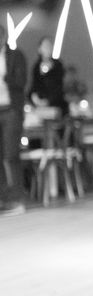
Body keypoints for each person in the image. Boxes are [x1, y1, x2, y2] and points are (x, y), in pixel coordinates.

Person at [0, 24, 27, 216]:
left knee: (11, 156)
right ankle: (4, 200)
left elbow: (21, 82)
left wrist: (5, 76)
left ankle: (17, 200)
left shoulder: (15, 56)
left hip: (12, 111)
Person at [29, 36, 67, 117]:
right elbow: (34, 85)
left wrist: (48, 101)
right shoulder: (36, 67)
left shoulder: (58, 65)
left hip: (56, 104)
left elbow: (59, 86)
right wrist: (34, 98)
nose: (48, 48)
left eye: (49, 46)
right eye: (45, 46)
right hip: (38, 103)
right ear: (39, 49)